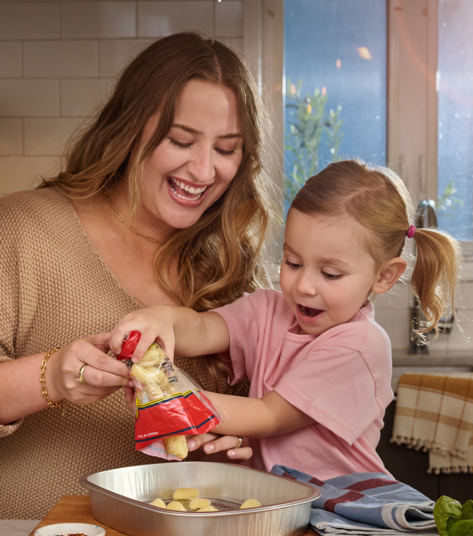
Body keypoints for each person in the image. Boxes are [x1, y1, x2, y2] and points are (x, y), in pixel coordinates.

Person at [0, 33, 273, 517]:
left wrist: (230, 443)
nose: (204, 169)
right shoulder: (22, 230)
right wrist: (51, 377)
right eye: (181, 141)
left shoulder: (231, 267)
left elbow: (256, 425)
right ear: (128, 130)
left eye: (227, 149)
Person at [110, 160, 461, 480]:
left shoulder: (361, 345)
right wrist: (164, 321)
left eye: (330, 273)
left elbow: (271, 415)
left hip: (341, 507)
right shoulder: (267, 309)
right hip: (282, 502)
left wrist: (175, 399)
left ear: (384, 276)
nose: (304, 286)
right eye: (293, 263)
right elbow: (203, 328)